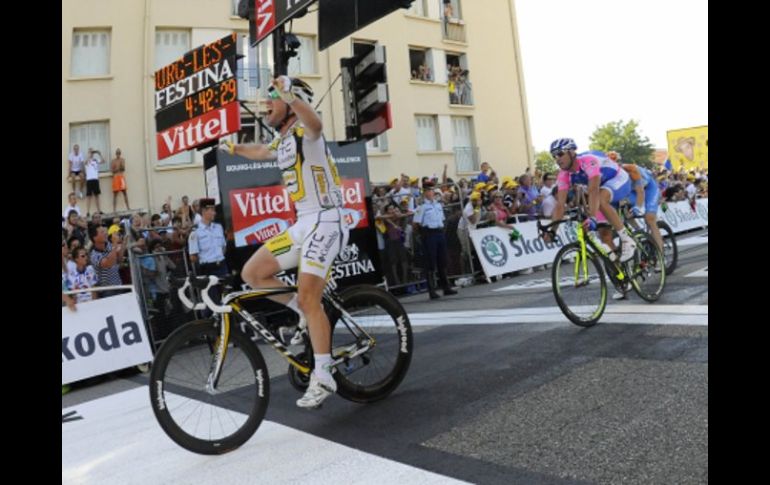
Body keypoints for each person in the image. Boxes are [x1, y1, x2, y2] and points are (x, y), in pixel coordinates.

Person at [220, 75, 348, 409]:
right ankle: (302, 313)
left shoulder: (308, 132)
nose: (267, 104)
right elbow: (261, 150)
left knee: (310, 297)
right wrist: (231, 147)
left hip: (327, 219)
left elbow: (316, 122)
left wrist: (289, 94)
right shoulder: (283, 140)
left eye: (273, 99)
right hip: (303, 223)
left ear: (292, 103)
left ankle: (324, 375)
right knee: (253, 273)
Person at [545, 138, 637, 262]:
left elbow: (593, 189)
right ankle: (620, 273)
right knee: (604, 235)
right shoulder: (563, 175)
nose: (557, 159)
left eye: (560, 154)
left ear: (572, 152)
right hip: (602, 190)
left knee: (600, 198)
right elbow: (560, 205)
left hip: (618, 179)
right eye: (554, 156)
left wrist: (592, 217)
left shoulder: (588, 161)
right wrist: (552, 231)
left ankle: (627, 240)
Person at [413, 183, 458, 300]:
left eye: (432, 190)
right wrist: (423, 235)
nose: (430, 192)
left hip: (439, 233)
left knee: (442, 261)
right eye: (427, 190)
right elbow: (416, 224)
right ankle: (431, 290)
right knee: (430, 263)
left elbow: (442, 219)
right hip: (429, 234)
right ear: (424, 193)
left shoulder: (438, 205)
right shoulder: (421, 207)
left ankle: (446, 287)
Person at [111, 148, 130, 212]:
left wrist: (120, 167)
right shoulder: (113, 161)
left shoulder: (122, 160)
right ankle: (114, 209)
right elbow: (113, 170)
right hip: (116, 177)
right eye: (117, 153)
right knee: (115, 194)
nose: (118, 154)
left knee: (125, 192)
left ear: (120, 153)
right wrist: (118, 168)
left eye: (119, 153)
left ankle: (128, 207)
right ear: (116, 154)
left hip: (121, 177)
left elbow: (123, 169)